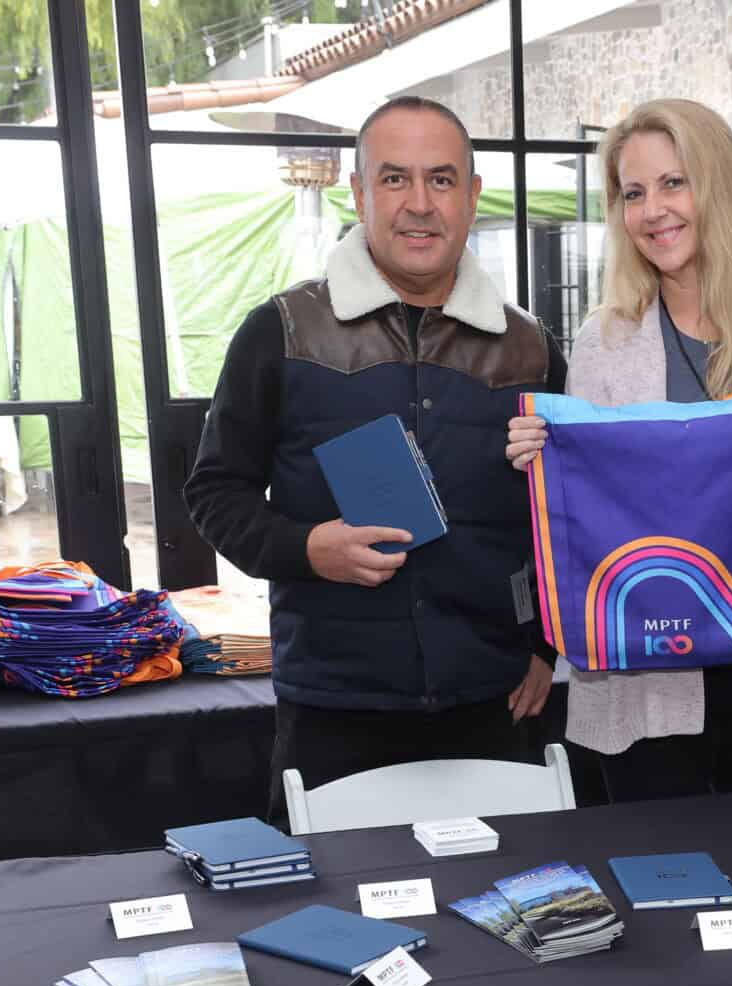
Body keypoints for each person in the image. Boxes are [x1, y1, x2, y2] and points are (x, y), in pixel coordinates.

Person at [186, 96, 564, 814]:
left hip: (493, 703)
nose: (419, 204)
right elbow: (214, 491)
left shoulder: (530, 348)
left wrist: (546, 643)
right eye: (394, 179)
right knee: (335, 918)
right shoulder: (281, 332)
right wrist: (304, 548)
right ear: (358, 192)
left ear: (472, 195)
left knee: (504, 913)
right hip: (335, 710)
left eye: (442, 180)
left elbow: (569, 509)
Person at [507, 97, 732, 802]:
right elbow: (587, 516)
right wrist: (544, 466)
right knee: (659, 883)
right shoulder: (606, 340)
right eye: (633, 193)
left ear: (721, 186)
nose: (652, 211)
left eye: (674, 183)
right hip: (645, 672)